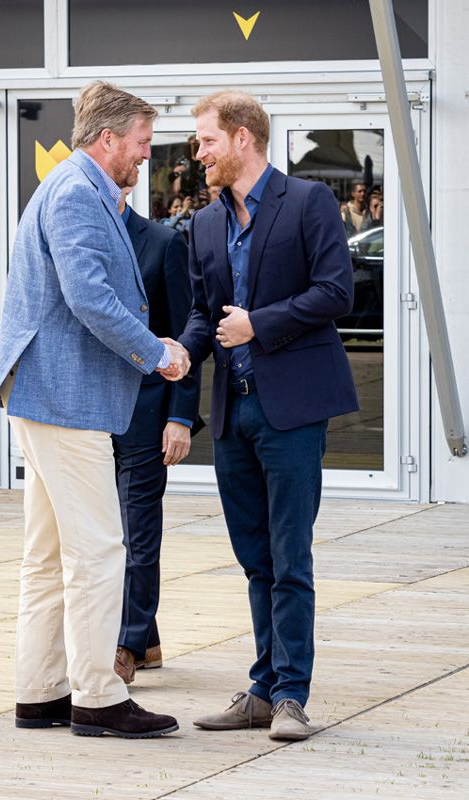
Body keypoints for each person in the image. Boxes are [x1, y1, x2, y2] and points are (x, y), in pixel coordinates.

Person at [0, 81, 190, 739]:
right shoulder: (75, 196)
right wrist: (157, 353)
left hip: (46, 395)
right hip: (63, 399)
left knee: (47, 555)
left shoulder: (75, 188)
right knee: (98, 550)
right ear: (108, 140)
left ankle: (39, 693)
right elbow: (90, 299)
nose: (144, 157)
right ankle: (97, 696)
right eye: (141, 144)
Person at [178, 91, 359, 740]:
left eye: (205, 141)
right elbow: (205, 315)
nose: (197, 153)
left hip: (292, 412)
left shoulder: (307, 201)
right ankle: (261, 688)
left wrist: (260, 325)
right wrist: (178, 351)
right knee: (255, 559)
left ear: (242, 139)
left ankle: (290, 697)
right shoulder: (203, 224)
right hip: (233, 415)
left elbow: (335, 292)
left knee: (290, 557)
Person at [112, 188, 202, 684]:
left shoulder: (165, 243)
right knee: (102, 537)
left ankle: (125, 644)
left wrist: (181, 417)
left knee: (137, 537)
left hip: (147, 416)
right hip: (89, 415)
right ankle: (146, 638)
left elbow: (186, 334)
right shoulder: (80, 238)